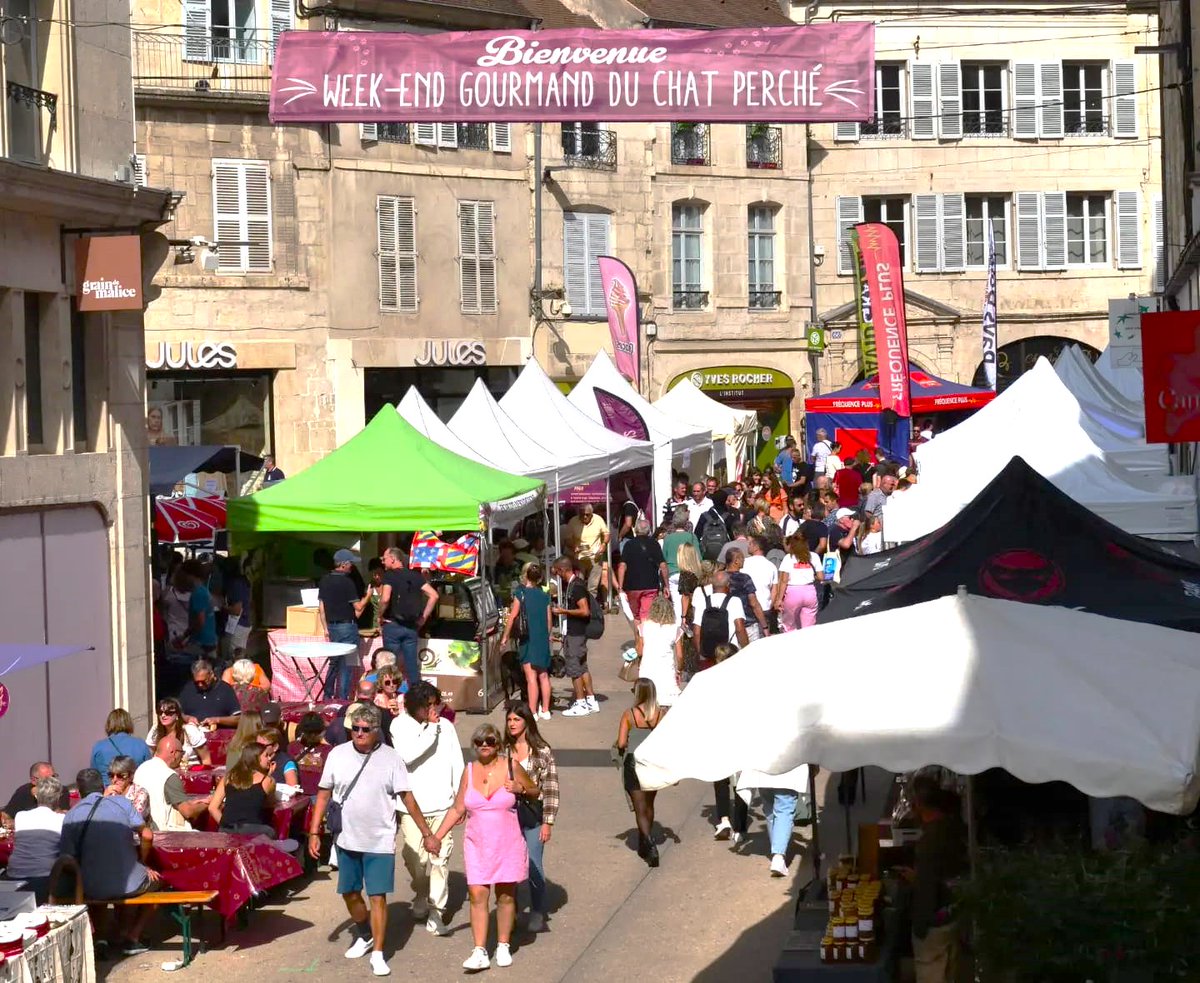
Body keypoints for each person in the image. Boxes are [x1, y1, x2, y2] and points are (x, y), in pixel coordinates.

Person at [308, 704, 437, 977]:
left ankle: (378, 952)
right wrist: (314, 832)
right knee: (349, 893)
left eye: (365, 729)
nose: (359, 733)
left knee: (377, 896)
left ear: (377, 730)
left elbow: (408, 798)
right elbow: (322, 794)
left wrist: (427, 834)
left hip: (379, 839)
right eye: (354, 728)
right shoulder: (337, 755)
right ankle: (365, 933)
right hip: (346, 838)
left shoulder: (391, 759)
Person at [431, 723, 534, 971]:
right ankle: (479, 950)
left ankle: (503, 944)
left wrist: (520, 788)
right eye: (479, 742)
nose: (484, 745)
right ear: (474, 746)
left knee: (506, 896)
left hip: (507, 842)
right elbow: (458, 808)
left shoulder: (511, 766)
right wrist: (436, 837)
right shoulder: (469, 771)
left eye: (489, 741)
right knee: (478, 896)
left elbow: (534, 790)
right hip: (477, 844)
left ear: (497, 743)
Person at [60, 768, 160, 957]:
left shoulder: (71, 815)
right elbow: (147, 834)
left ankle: (101, 939)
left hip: (91, 886)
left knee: (96, 883)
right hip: (130, 883)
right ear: (103, 786)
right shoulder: (122, 804)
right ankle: (133, 936)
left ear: (79, 792)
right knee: (160, 884)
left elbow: (67, 857)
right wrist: (142, 861)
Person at [390, 681, 463, 937]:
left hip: (443, 804)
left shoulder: (445, 727)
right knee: (416, 860)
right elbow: (409, 755)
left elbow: (457, 761)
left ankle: (436, 912)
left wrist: (460, 797)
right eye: (428, 706)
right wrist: (432, 729)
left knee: (440, 859)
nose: (434, 710)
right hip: (412, 807)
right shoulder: (399, 725)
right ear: (414, 706)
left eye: (436, 704)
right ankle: (421, 892)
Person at [502, 703, 559, 934]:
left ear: (526, 721)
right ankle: (511, 909)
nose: (512, 724)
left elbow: (551, 787)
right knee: (509, 865)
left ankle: (537, 911)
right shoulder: (503, 750)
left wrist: (548, 822)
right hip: (507, 816)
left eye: (516, 719)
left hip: (533, 815)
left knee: (534, 864)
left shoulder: (542, 750)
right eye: (509, 720)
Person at [904, 778, 967, 982]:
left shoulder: (929, 842)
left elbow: (927, 888)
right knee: (949, 970)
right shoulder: (953, 827)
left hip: (935, 921)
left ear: (919, 804)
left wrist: (920, 927)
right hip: (953, 912)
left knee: (931, 969)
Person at [615, 678, 665, 868]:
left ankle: (649, 843)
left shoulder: (629, 715)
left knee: (639, 806)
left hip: (634, 763)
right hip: (653, 762)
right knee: (650, 804)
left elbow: (621, 743)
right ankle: (646, 843)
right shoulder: (660, 713)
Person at [499, 562, 553, 720]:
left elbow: (513, 616)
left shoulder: (520, 594)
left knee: (531, 678)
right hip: (541, 637)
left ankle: (533, 711)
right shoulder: (545, 594)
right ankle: (546, 710)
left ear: (525, 575)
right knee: (543, 676)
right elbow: (549, 619)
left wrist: (505, 636)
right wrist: (546, 634)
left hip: (527, 638)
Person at [378, 547, 438, 687]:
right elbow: (434, 595)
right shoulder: (415, 576)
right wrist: (423, 618)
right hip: (411, 626)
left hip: (392, 624)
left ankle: (391, 699)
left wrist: (379, 615)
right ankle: (415, 698)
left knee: (389, 665)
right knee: (412, 666)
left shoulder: (389, 575)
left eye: (384, 558)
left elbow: (385, 598)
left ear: (393, 559)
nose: (382, 562)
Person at [1, 776, 66, 903]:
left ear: (36, 796)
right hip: (44, 878)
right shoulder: (61, 820)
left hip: (15, 874)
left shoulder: (21, 816)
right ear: (58, 798)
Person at [319, 549, 371, 701]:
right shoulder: (348, 582)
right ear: (343, 564)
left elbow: (321, 608)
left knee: (333, 663)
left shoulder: (324, 580)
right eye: (350, 564)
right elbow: (358, 608)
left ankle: (327, 696)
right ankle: (342, 700)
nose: (352, 567)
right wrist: (367, 596)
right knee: (346, 666)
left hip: (332, 627)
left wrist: (325, 629)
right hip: (347, 627)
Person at [134, 734, 211, 832]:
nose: (182, 757)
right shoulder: (168, 775)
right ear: (174, 753)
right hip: (165, 834)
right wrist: (208, 805)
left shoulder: (141, 768)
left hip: (143, 831)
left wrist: (194, 802)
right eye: (181, 753)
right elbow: (187, 812)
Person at [553, 555, 598, 718]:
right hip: (576, 632)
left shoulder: (576, 586)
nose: (556, 574)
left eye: (557, 571)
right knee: (582, 666)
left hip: (576, 633)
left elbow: (585, 611)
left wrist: (563, 611)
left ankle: (580, 702)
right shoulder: (575, 584)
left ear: (564, 569)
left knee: (574, 668)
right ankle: (591, 700)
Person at [209, 743, 277, 836]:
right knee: (271, 831)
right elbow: (270, 803)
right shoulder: (267, 781)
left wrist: (225, 826)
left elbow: (212, 808)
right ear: (256, 758)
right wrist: (269, 775)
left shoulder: (228, 777)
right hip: (253, 831)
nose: (269, 759)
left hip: (228, 829)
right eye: (266, 756)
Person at [615, 518, 668, 629]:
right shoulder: (654, 544)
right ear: (648, 531)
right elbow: (663, 565)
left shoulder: (629, 545)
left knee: (636, 616)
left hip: (632, 586)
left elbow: (622, 566)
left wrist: (620, 587)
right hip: (651, 585)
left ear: (635, 530)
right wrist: (666, 585)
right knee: (646, 615)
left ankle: (639, 640)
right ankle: (644, 640)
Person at [692, 570, 750, 665]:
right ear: (728, 584)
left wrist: (699, 654)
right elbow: (739, 628)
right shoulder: (734, 601)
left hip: (708, 653)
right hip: (729, 652)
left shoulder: (702, 602)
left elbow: (696, 631)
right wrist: (746, 649)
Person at [636, 594, 683, 707]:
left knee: (648, 702)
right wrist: (679, 670)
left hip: (647, 668)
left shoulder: (643, 626)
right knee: (667, 703)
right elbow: (680, 655)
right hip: (667, 669)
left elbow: (640, 651)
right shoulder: (675, 629)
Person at [773, 536, 825, 632]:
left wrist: (779, 599)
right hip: (810, 591)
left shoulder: (788, 558)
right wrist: (811, 576)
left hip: (793, 592)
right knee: (809, 626)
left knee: (789, 625)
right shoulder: (814, 556)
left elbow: (784, 580)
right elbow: (821, 577)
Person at [145, 697, 211, 767]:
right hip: (165, 772)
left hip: (191, 772)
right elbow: (152, 756)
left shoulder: (190, 730)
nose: (163, 716)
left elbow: (206, 759)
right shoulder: (156, 730)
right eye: (160, 712)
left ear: (177, 715)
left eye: (168, 713)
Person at [178, 658, 241, 729]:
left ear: (211, 675)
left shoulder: (225, 689)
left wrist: (217, 720)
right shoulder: (188, 689)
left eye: (203, 681)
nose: (200, 685)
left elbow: (238, 719)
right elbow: (178, 714)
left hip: (219, 734)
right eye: (197, 682)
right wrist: (187, 718)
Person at [174, 559, 218, 661]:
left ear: (189, 575)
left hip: (201, 643)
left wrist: (185, 637)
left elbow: (200, 622)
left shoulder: (198, 593)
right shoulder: (203, 590)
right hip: (209, 640)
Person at [724, 550, 770, 642]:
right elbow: (754, 603)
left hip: (727, 625)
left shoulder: (720, 578)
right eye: (742, 558)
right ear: (736, 561)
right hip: (747, 624)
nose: (744, 560)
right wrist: (764, 626)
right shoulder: (744, 578)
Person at [564, 504, 609, 597]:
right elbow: (567, 539)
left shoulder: (598, 519)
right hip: (580, 558)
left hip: (595, 558)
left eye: (587, 514)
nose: (584, 516)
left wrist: (604, 544)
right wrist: (573, 546)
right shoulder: (573, 521)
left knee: (592, 587)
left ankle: (592, 609)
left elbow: (606, 533)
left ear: (592, 514)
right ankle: (582, 606)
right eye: (582, 514)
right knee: (579, 585)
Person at [90, 709, 152, 775]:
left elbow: (94, 776)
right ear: (129, 723)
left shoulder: (99, 747)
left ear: (109, 724)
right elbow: (148, 772)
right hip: (133, 784)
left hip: (107, 784)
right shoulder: (141, 745)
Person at [662, 508, 701, 599]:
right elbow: (698, 556)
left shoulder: (667, 538)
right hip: (688, 571)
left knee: (676, 602)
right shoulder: (691, 536)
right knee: (688, 601)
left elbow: (664, 557)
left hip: (672, 572)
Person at [742, 535, 779, 632]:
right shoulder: (771, 566)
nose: (748, 546)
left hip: (747, 607)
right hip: (765, 606)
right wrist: (770, 605)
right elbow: (774, 590)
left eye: (750, 544)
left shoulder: (744, 563)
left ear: (756, 547)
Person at [105, 755, 150, 822]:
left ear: (131, 776)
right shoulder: (110, 793)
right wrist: (103, 799)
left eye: (120, 776)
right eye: (111, 775)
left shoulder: (140, 793)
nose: (114, 779)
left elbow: (135, 822)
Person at [491, 541, 522, 605]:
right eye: (503, 556)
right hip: (501, 598)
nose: (505, 558)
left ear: (513, 555)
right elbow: (496, 584)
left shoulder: (519, 567)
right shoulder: (498, 567)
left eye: (507, 556)